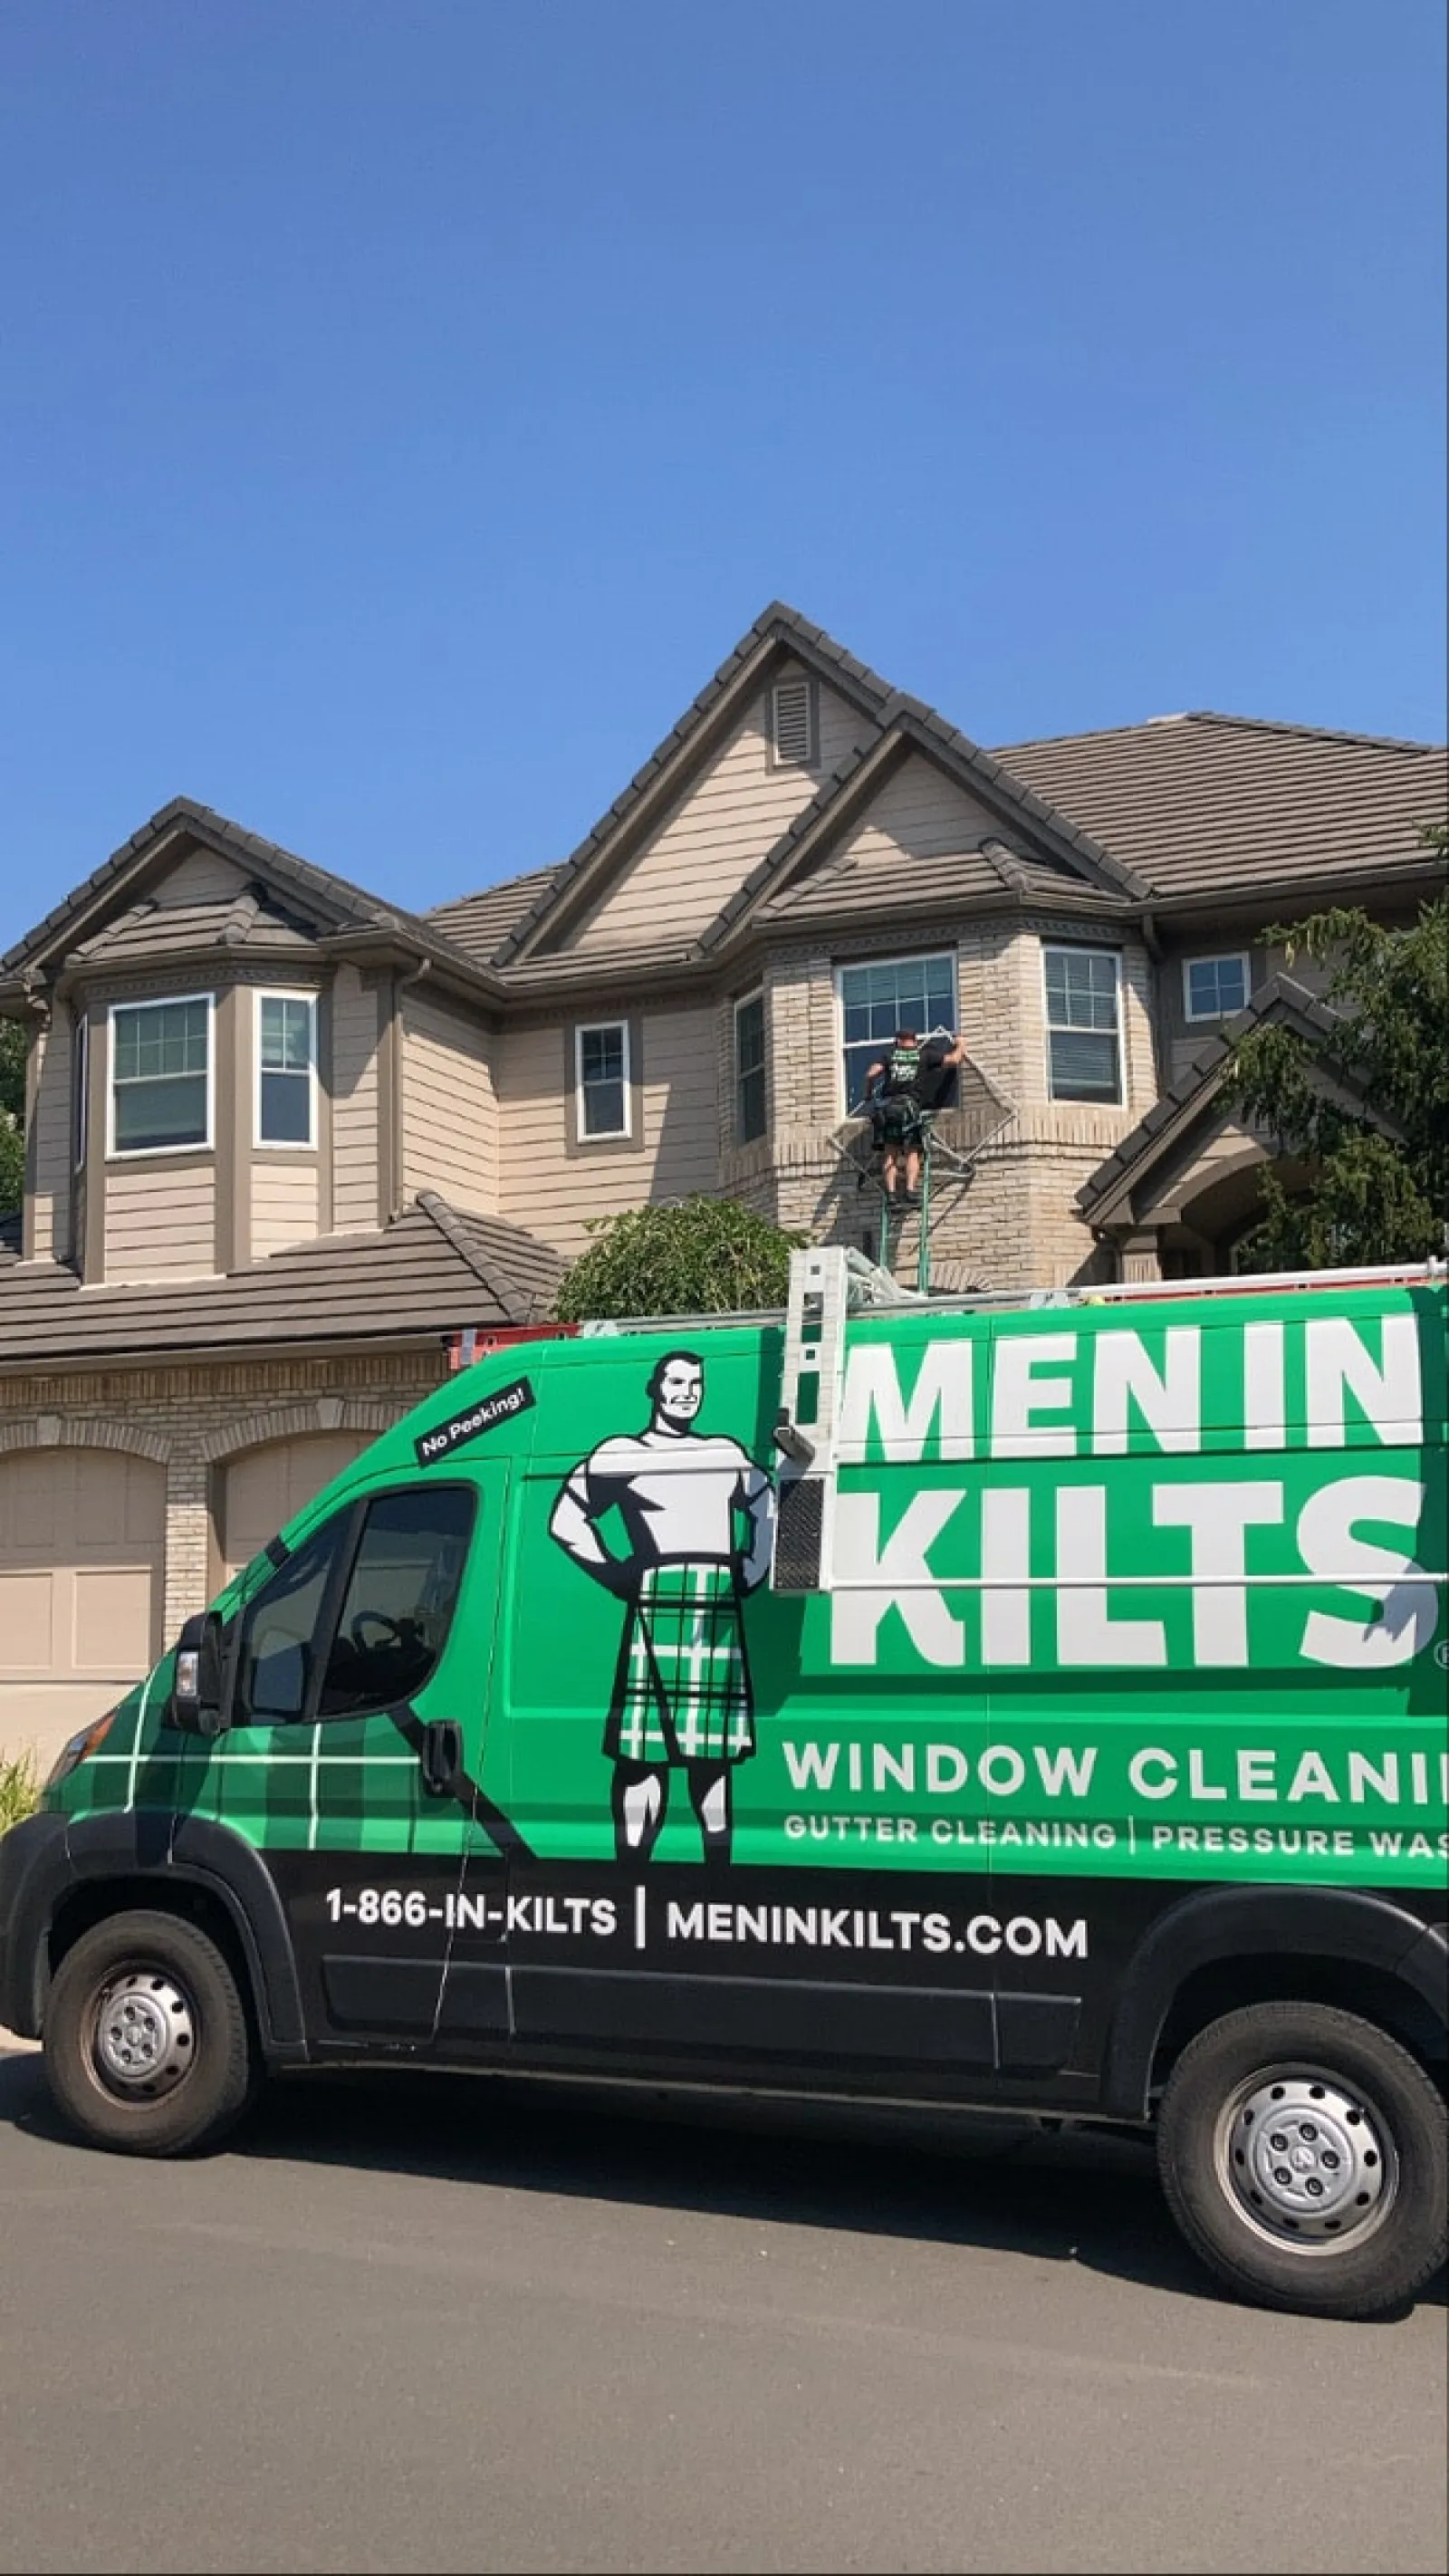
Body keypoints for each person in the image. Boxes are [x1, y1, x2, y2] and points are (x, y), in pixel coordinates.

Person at [548, 1350, 774, 1867]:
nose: (687, 1392)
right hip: (656, 1599)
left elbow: (769, 1501)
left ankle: (719, 1874)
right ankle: (633, 1873)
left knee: (712, 1760)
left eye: (696, 1383)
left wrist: (755, 1565)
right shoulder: (621, 1453)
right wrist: (614, 1573)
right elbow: (567, 1518)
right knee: (641, 1757)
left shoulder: (723, 1452)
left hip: (714, 1604)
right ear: (654, 1388)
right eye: (676, 1382)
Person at [863, 1027, 966, 1202]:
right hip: (909, 1108)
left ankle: (891, 1193)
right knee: (912, 1151)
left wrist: (868, 1093)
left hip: (888, 1109)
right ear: (915, 1041)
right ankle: (910, 1190)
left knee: (890, 1153)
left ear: (897, 1042)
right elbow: (954, 1060)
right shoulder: (923, 1056)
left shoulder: (890, 1056)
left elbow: (870, 1074)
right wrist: (961, 1044)